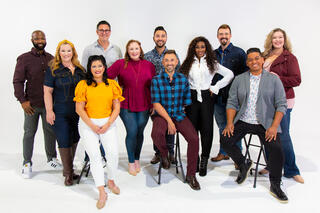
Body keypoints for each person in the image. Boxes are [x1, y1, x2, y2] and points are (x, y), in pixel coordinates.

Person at [220, 48, 288, 203]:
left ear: (262, 60)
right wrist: (230, 123)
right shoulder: (239, 79)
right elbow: (231, 102)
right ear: (247, 63)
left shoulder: (273, 79)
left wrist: (273, 127)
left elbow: (281, 105)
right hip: (243, 120)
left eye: (256, 58)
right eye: (250, 59)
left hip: (265, 123)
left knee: (277, 149)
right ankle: (243, 163)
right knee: (225, 140)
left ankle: (275, 184)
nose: (254, 62)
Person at [75, 55, 124, 209]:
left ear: (104, 67)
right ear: (90, 68)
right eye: (94, 66)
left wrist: (108, 123)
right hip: (88, 123)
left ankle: (111, 180)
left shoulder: (111, 84)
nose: (97, 69)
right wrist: (92, 125)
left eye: (100, 66)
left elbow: (116, 107)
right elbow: (79, 109)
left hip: (107, 122)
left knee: (113, 153)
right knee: (95, 156)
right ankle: (101, 191)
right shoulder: (83, 84)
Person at [180, 36, 233, 176]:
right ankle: (194, 159)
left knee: (207, 130)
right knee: (192, 131)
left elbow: (230, 74)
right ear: (193, 49)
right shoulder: (187, 63)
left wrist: (216, 87)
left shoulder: (212, 62)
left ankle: (204, 160)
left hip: (206, 98)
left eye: (202, 47)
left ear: (206, 48)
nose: (200, 50)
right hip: (191, 98)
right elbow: (181, 81)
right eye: (197, 47)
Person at [13, 30, 61, 179]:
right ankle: (27, 162)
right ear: (32, 40)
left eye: (42, 37)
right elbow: (18, 81)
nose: (40, 40)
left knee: (50, 131)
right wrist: (22, 100)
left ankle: (51, 158)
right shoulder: (24, 59)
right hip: (31, 105)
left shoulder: (52, 59)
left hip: (48, 105)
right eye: (37, 38)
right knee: (29, 133)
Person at [151, 50, 200, 190]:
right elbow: (156, 104)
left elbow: (187, 100)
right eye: (166, 60)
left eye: (172, 60)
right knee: (156, 133)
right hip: (161, 115)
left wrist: (178, 116)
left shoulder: (183, 79)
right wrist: (170, 121)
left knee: (194, 138)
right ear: (163, 62)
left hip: (178, 114)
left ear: (176, 62)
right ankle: (165, 154)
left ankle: (191, 175)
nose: (169, 63)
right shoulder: (156, 80)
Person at [260, 28, 304, 183]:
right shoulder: (265, 56)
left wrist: (277, 79)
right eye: (275, 37)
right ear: (270, 40)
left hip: (283, 101)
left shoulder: (289, 58)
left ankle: (291, 170)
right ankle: (271, 165)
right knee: (268, 134)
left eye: (280, 37)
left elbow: (296, 80)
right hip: (265, 102)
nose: (277, 40)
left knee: (283, 136)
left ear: (284, 40)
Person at [108, 40, 156, 176]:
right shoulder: (120, 63)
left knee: (140, 132)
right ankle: (130, 162)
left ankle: (136, 159)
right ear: (127, 51)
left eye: (136, 48)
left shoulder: (149, 65)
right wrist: (115, 94)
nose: (134, 51)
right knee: (132, 130)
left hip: (145, 103)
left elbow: (153, 86)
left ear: (140, 50)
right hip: (125, 103)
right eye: (131, 49)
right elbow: (106, 77)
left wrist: (153, 104)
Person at [44, 40, 85, 186]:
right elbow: (47, 91)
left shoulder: (80, 69)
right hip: (60, 110)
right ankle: (68, 175)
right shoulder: (53, 69)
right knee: (64, 139)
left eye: (69, 50)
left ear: (73, 52)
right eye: (63, 51)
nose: (66, 53)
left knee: (75, 138)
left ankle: (69, 169)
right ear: (58, 53)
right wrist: (49, 111)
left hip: (78, 112)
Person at [81, 20, 122, 166]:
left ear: (110, 32)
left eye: (107, 30)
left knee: (107, 124)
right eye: (101, 30)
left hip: (110, 93)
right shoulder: (89, 49)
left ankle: (104, 156)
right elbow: (84, 71)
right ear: (97, 32)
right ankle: (91, 157)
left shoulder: (116, 49)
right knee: (91, 124)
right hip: (93, 92)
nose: (104, 32)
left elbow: (120, 70)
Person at [211, 24, 248, 165]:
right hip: (217, 97)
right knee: (221, 125)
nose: (223, 36)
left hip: (234, 98)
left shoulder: (239, 53)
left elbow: (245, 75)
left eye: (226, 33)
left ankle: (238, 158)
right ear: (217, 36)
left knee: (234, 127)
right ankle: (223, 152)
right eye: (221, 34)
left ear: (230, 35)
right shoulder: (213, 54)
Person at [145, 26, 181, 165]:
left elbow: (179, 75)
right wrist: (152, 103)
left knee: (170, 125)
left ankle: (170, 152)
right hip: (155, 97)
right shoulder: (147, 56)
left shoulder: (173, 55)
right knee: (158, 127)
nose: (160, 38)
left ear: (166, 38)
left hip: (171, 97)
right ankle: (159, 153)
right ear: (154, 38)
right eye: (157, 36)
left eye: (163, 36)